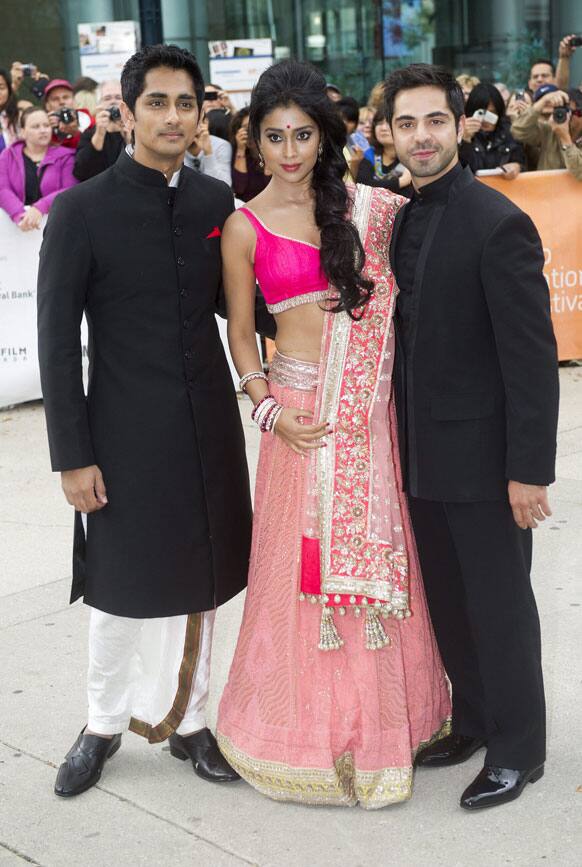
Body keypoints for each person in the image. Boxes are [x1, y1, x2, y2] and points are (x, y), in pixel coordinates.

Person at [37, 43, 274, 799]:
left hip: (206, 429)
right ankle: (101, 724)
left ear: (200, 113)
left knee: (200, 582)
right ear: (131, 111)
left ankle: (191, 723)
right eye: (158, 102)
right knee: (118, 588)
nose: (173, 117)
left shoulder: (214, 207)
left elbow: (243, 308)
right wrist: (73, 455)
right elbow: (53, 342)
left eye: (185, 103)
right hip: (121, 435)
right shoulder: (81, 211)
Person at [216, 59, 450, 809]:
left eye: (304, 135)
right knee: (298, 582)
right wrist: (268, 409)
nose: (290, 150)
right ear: (254, 141)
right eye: (276, 135)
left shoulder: (369, 210)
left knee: (379, 564)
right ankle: (301, 738)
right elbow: (243, 339)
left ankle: (387, 728)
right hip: (297, 423)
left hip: (367, 416)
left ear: (324, 138)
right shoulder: (242, 226)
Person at [385, 63, 559, 810]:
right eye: (407, 123)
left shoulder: (499, 221)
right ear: (388, 132)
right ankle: (475, 718)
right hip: (420, 455)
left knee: (499, 604)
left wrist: (528, 471)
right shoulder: (395, 217)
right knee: (449, 601)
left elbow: (532, 360)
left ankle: (520, 748)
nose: (421, 136)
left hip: (487, 465)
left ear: (459, 126)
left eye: (434, 121)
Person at [0, 107, 77, 230]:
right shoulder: (7, 155)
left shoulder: (66, 156)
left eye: (46, 125)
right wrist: (19, 214)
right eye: (36, 126)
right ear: (23, 131)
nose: (43, 130)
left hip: (58, 227)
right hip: (16, 231)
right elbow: (2, 188)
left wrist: (40, 207)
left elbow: (70, 189)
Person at [511, 85, 582, 179]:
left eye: (572, 112)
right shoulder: (549, 130)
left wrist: (565, 138)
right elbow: (518, 130)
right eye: (564, 111)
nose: (567, 116)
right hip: (546, 192)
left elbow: (579, 172)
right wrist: (543, 101)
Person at [459, 82, 524, 179]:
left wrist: (517, 166)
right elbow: (461, 172)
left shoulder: (510, 132)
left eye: (492, 112)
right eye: (482, 113)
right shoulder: (459, 133)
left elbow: (522, 162)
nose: (486, 119)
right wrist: (465, 140)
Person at [73, 80, 129, 181]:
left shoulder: (136, 131)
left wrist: (129, 139)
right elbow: (80, 172)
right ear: (99, 104)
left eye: (118, 97)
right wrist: (99, 134)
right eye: (107, 98)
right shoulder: (90, 134)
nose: (113, 102)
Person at [357, 108, 413, 196]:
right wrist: (400, 182)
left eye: (388, 122)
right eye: (379, 123)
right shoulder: (369, 155)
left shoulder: (411, 159)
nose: (383, 128)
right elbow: (364, 187)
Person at [231, 107, 270, 201]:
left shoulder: (274, 152)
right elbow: (239, 188)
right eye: (246, 128)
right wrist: (241, 149)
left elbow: (273, 187)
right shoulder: (237, 154)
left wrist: (265, 147)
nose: (251, 132)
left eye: (254, 127)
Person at [184, 111, 232, 184]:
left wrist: (208, 153)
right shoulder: (176, 147)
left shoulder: (221, 145)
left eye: (195, 123)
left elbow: (225, 184)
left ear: (205, 122)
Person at [43, 78, 92, 149]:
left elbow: (93, 148)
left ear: (74, 101)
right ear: (47, 105)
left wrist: (75, 132)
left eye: (66, 97)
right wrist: (47, 128)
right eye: (55, 99)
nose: (61, 102)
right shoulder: (44, 124)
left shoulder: (86, 119)